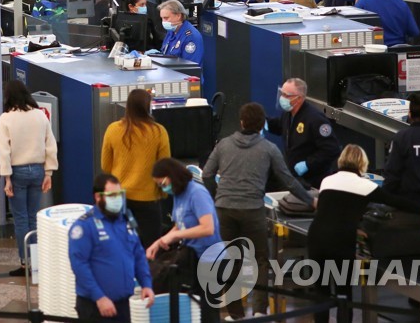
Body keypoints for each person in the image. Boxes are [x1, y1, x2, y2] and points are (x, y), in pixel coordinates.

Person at [202, 103, 313, 319]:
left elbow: (207, 174)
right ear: (262, 125)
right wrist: (310, 200)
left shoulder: (224, 145)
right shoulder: (269, 149)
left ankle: (235, 314)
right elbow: (288, 181)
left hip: (224, 210)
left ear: (241, 122)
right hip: (253, 210)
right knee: (261, 260)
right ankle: (260, 311)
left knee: (229, 260)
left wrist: (217, 196)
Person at [309, 145, 420, 323]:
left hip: (316, 238)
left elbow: (334, 209)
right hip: (340, 241)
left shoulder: (327, 181)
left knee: (321, 292)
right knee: (343, 293)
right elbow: (396, 202)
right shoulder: (365, 186)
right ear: (362, 163)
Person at [69, 174, 155, 322]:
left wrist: (146, 283)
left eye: (120, 194)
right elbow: (79, 265)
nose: (118, 199)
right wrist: (99, 297)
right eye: (112, 195)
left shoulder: (125, 221)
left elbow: (138, 254)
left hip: (121, 304)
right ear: (98, 197)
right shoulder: (84, 226)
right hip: (95, 305)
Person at [146, 158, 221, 323]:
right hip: (192, 257)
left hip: (209, 260)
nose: (162, 187)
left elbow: (208, 228)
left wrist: (175, 236)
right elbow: (180, 224)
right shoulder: (179, 195)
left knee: (208, 313)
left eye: (162, 183)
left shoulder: (197, 193)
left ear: (172, 176)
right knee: (192, 308)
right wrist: (160, 241)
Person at [0, 80, 58, 276]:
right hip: (38, 171)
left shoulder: (6, 118)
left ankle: (25, 263)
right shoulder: (40, 115)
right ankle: (38, 263)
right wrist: (49, 173)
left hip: (17, 172)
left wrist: (6, 179)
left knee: (21, 219)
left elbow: (4, 151)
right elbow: (50, 145)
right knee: (34, 217)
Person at [101, 89, 171, 248]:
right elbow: (164, 168)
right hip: (148, 199)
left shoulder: (113, 129)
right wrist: (164, 194)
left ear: (128, 106)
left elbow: (105, 166)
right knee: (149, 249)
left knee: (119, 247)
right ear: (148, 107)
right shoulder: (159, 132)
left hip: (118, 197)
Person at [268, 78, 341, 188]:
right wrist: (263, 122)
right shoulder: (288, 113)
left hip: (313, 181)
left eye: (286, 95)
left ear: (299, 99)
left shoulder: (315, 119)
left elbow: (332, 149)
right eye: (281, 94)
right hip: (295, 178)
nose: (282, 98)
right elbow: (281, 127)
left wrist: (308, 164)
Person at [155, 0, 203, 65]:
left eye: (166, 18)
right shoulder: (171, 31)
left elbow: (190, 67)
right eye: (162, 18)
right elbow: (165, 53)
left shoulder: (191, 37)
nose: (163, 22)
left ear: (178, 16)